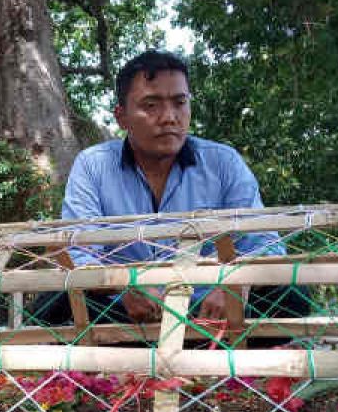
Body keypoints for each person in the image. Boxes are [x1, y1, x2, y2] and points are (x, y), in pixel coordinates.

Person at [31, 49, 308, 330]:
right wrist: (124, 287)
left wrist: (234, 284)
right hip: (125, 314)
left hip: (211, 313)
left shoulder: (223, 162)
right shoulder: (93, 165)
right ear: (121, 117)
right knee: (54, 299)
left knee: (292, 295)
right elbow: (80, 252)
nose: (169, 117)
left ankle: (216, 352)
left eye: (179, 102)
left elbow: (264, 244)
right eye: (151, 105)